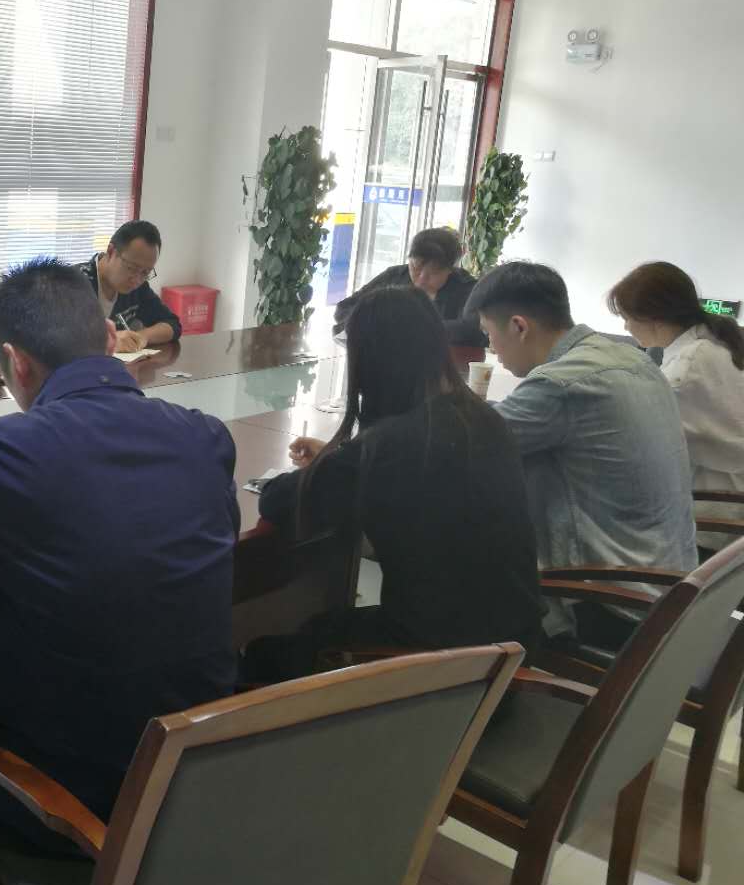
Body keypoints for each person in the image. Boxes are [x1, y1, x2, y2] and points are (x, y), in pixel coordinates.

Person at [0, 258, 237, 850]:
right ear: (108, 337)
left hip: (71, 806)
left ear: (16, 362)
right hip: (198, 779)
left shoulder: (3, 451)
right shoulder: (205, 436)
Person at [241, 287, 541, 683]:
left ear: (370, 363)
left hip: (450, 667)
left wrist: (337, 462)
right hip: (513, 647)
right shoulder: (482, 418)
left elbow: (279, 501)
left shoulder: (391, 445)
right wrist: (341, 458)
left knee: (265, 653)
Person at [465, 261, 696, 643]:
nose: (491, 348)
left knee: (458, 566)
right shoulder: (631, 357)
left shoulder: (560, 384)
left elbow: (467, 443)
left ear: (519, 326)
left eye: (489, 333)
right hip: (671, 585)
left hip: (612, 604)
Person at [608, 261, 744, 554]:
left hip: (710, 525)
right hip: (725, 512)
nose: (625, 327)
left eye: (627, 317)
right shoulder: (715, 343)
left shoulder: (687, 370)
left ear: (654, 318)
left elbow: (642, 446)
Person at [332, 227, 486, 346]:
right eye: (415, 268)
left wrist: (412, 328)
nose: (421, 280)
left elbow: (473, 329)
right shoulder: (394, 276)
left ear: (451, 269)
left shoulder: (466, 288)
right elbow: (345, 308)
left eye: (433, 273)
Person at [77, 219, 182, 351]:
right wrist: (109, 341)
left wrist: (141, 337)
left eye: (145, 272)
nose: (137, 279)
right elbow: (57, 339)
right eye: (131, 268)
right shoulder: (73, 283)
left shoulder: (137, 287)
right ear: (111, 251)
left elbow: (173, 324)